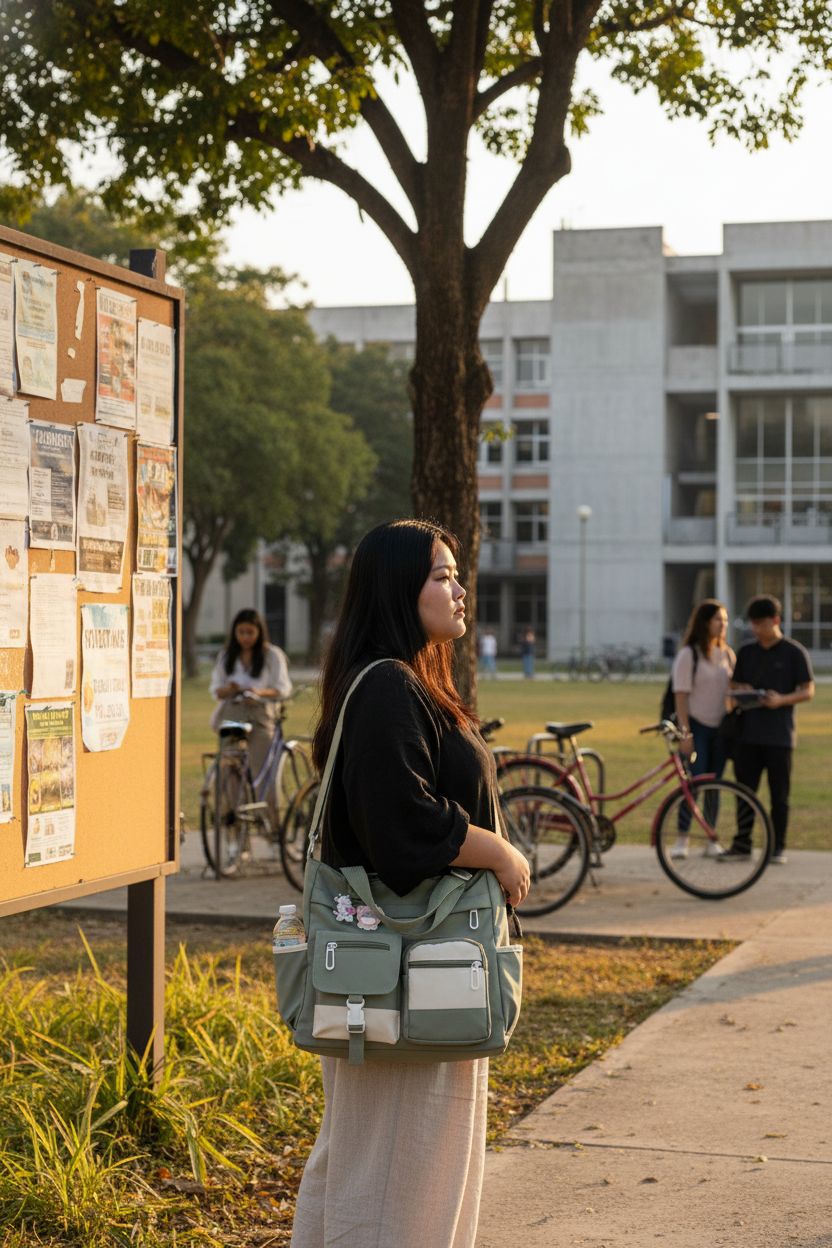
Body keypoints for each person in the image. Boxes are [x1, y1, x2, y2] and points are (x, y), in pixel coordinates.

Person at [290, 519, 530, 1248]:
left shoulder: (406, 680)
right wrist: (500, 853)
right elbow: (402, 828)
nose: (459, 589)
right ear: (399, 587)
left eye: (456, 574)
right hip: (409, 967)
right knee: (400, 1165)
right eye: (440, 575)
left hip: (418, 968)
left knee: (384, 1161)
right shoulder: (389, 686)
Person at [727, 595, 814, 865]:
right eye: (753, 624)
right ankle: (742, 844)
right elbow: (734, 686)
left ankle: (777, 847)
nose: (756, 629)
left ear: (776, 621)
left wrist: (781, 700)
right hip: (748, 733)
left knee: (779, 796)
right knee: (745, 792)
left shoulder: (794, 652)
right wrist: (743, 692)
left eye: (762, 624)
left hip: (779, 736)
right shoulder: (747, 651)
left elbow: (808, 690)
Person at [669, 599, 735, 860]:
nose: (723, 624)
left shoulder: (727, 653)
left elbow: (731, 689)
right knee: (693, 784)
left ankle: (710, 837)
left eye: (726, 620)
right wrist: (686, 734)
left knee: (714, 785)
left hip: (720, 728)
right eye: (719, 619)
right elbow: (681, 696)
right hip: (697, 726)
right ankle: (682, 838)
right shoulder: (689, 654)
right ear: (705, 622)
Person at [208, 608, 291, 783]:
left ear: (260, 632)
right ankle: (231, 809)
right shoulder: (227, 656)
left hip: (260, 714)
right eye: (241, 632)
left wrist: (259, 692)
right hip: (234, 713)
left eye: (250, 632)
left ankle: (266, 809)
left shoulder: (272, 655)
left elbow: (282, 688)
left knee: (263, 768)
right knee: (230, 763)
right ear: (234, 632)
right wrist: (230, 689)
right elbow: (217, 689)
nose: (245, 637)